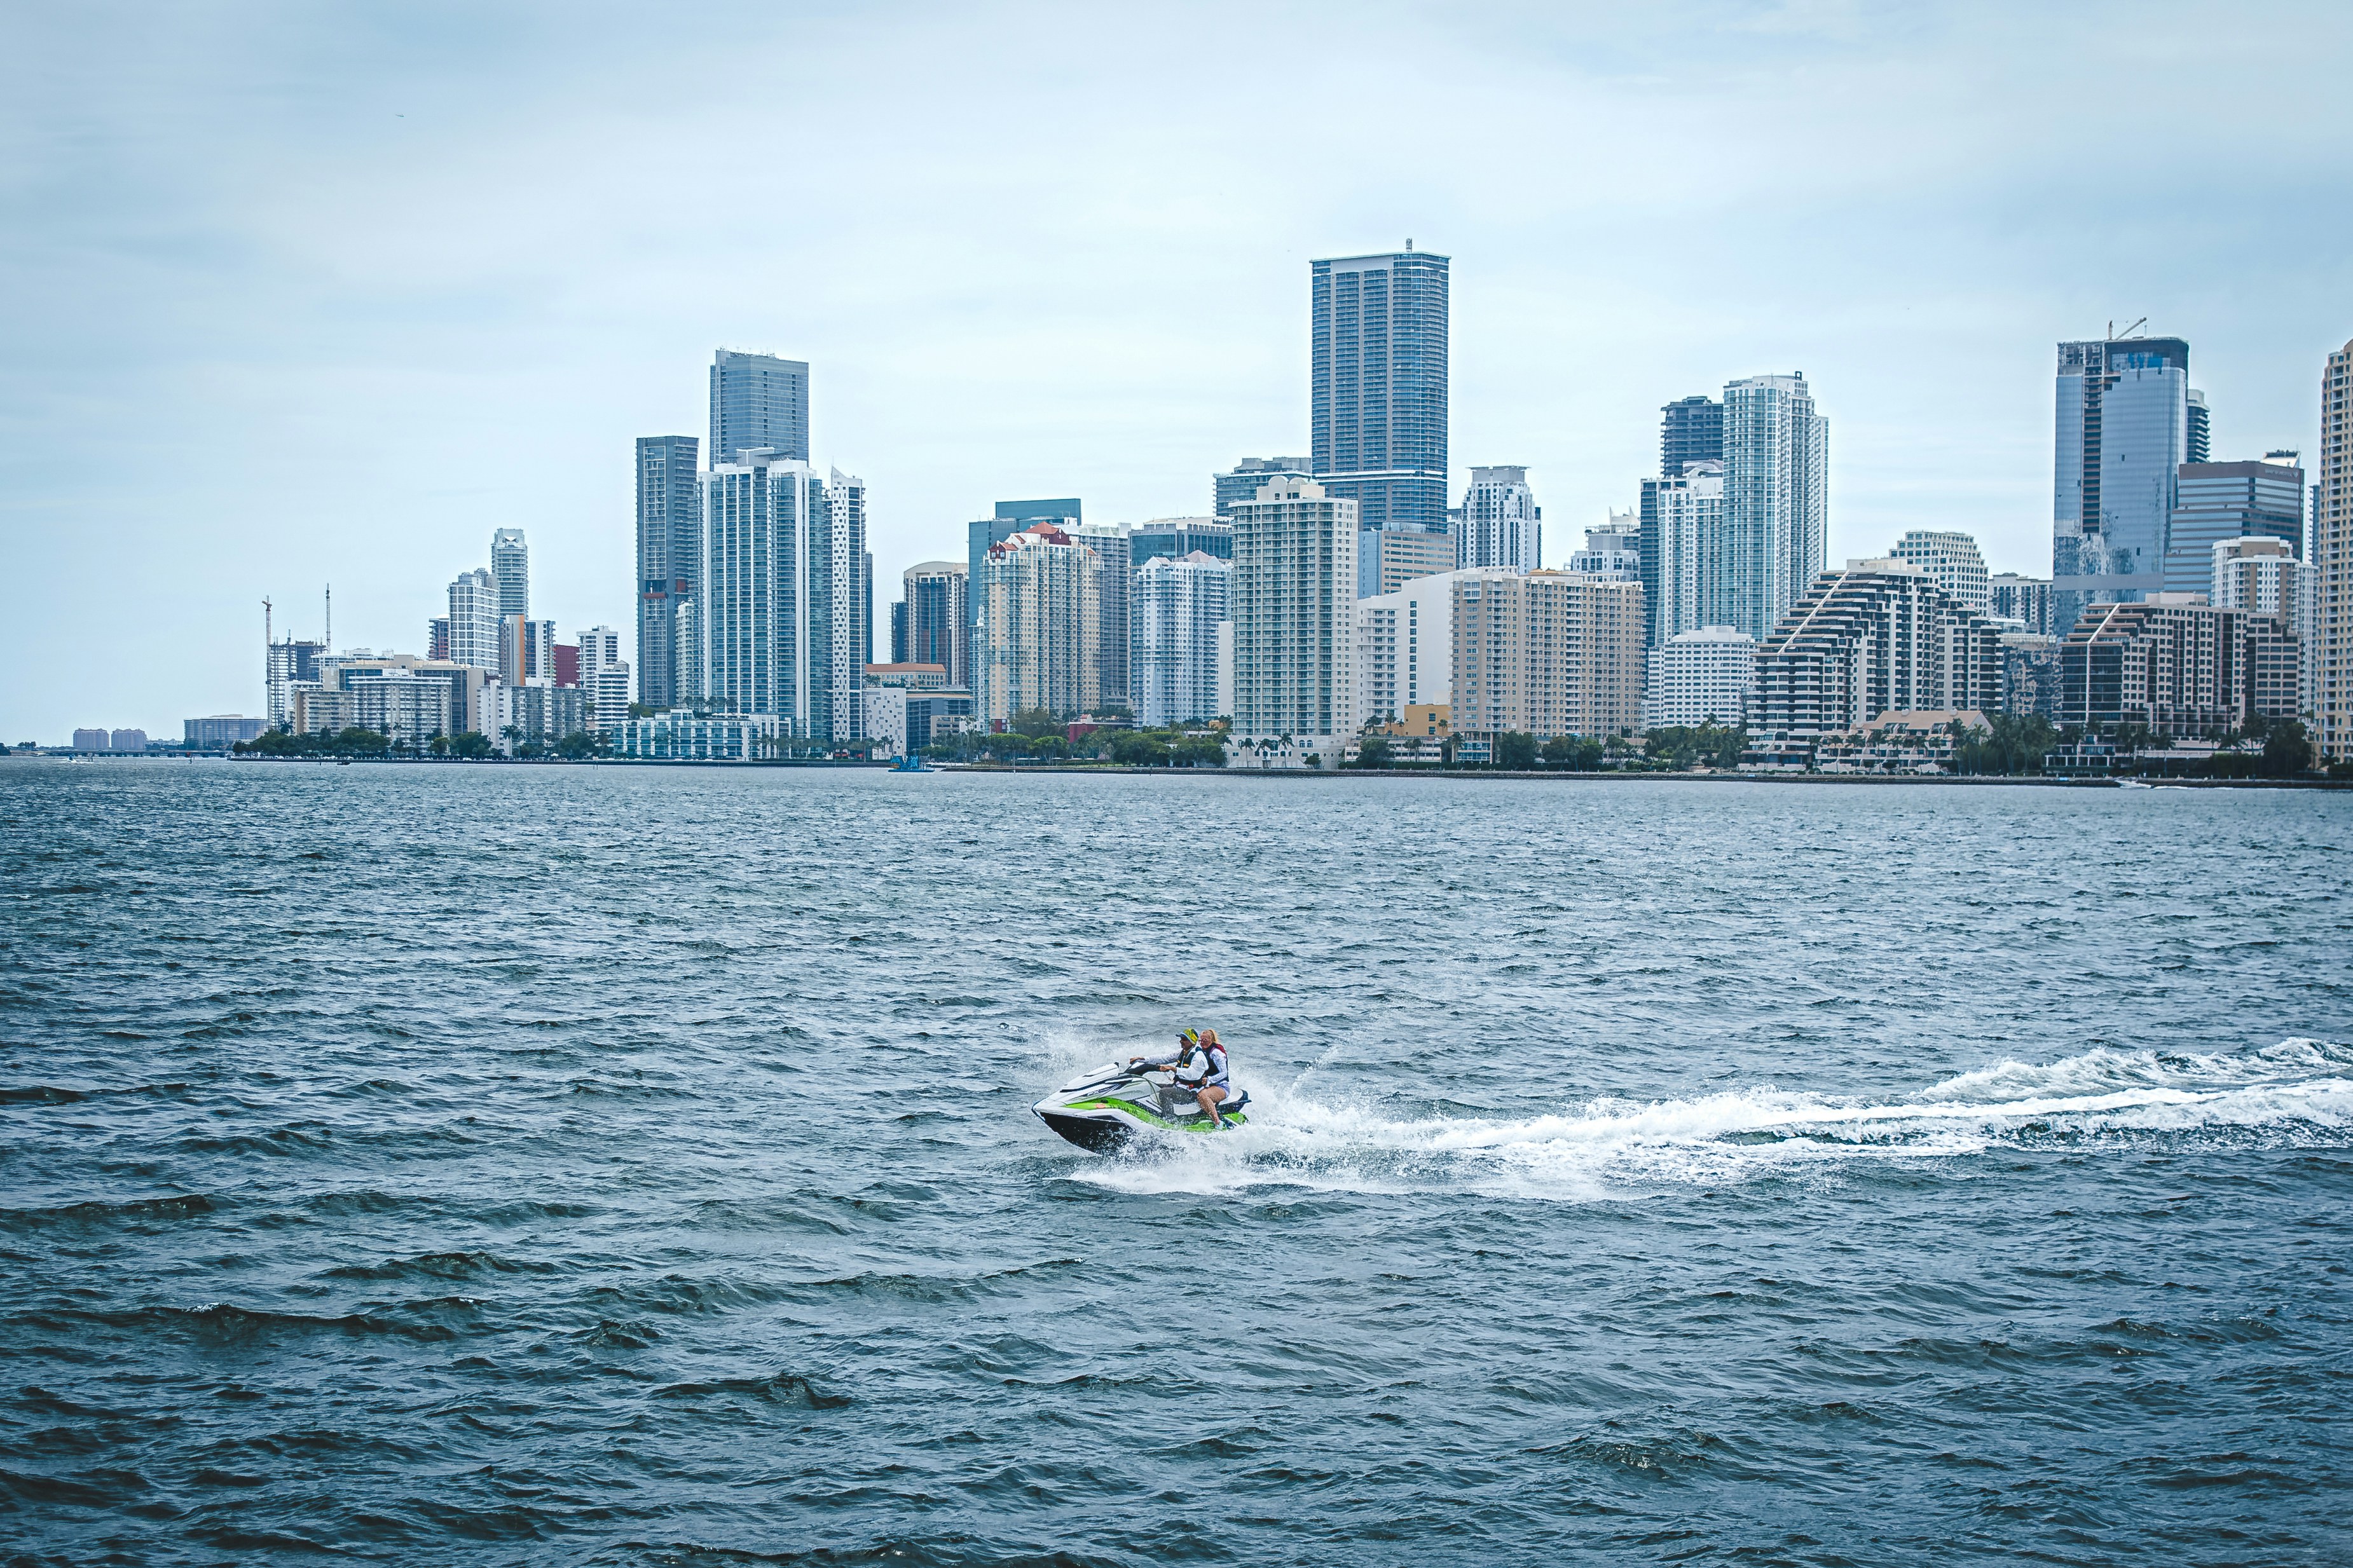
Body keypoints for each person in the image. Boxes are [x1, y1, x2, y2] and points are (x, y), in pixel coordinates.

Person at [1130, 1029, 1233, 1128]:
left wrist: (1173, 1069)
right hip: (1184, 1086)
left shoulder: (1204, 1055)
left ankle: (1170, 1120)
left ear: (1192, 1041)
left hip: (1197, 1090)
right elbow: (1165, 1058)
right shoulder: (1184, 1052)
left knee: (1166, 1092)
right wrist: (1143, 1059)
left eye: (1184, 1039)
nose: (1181, 1041)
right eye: (1201, 1040)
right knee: (1151, 1086)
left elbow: (1194, 1074)